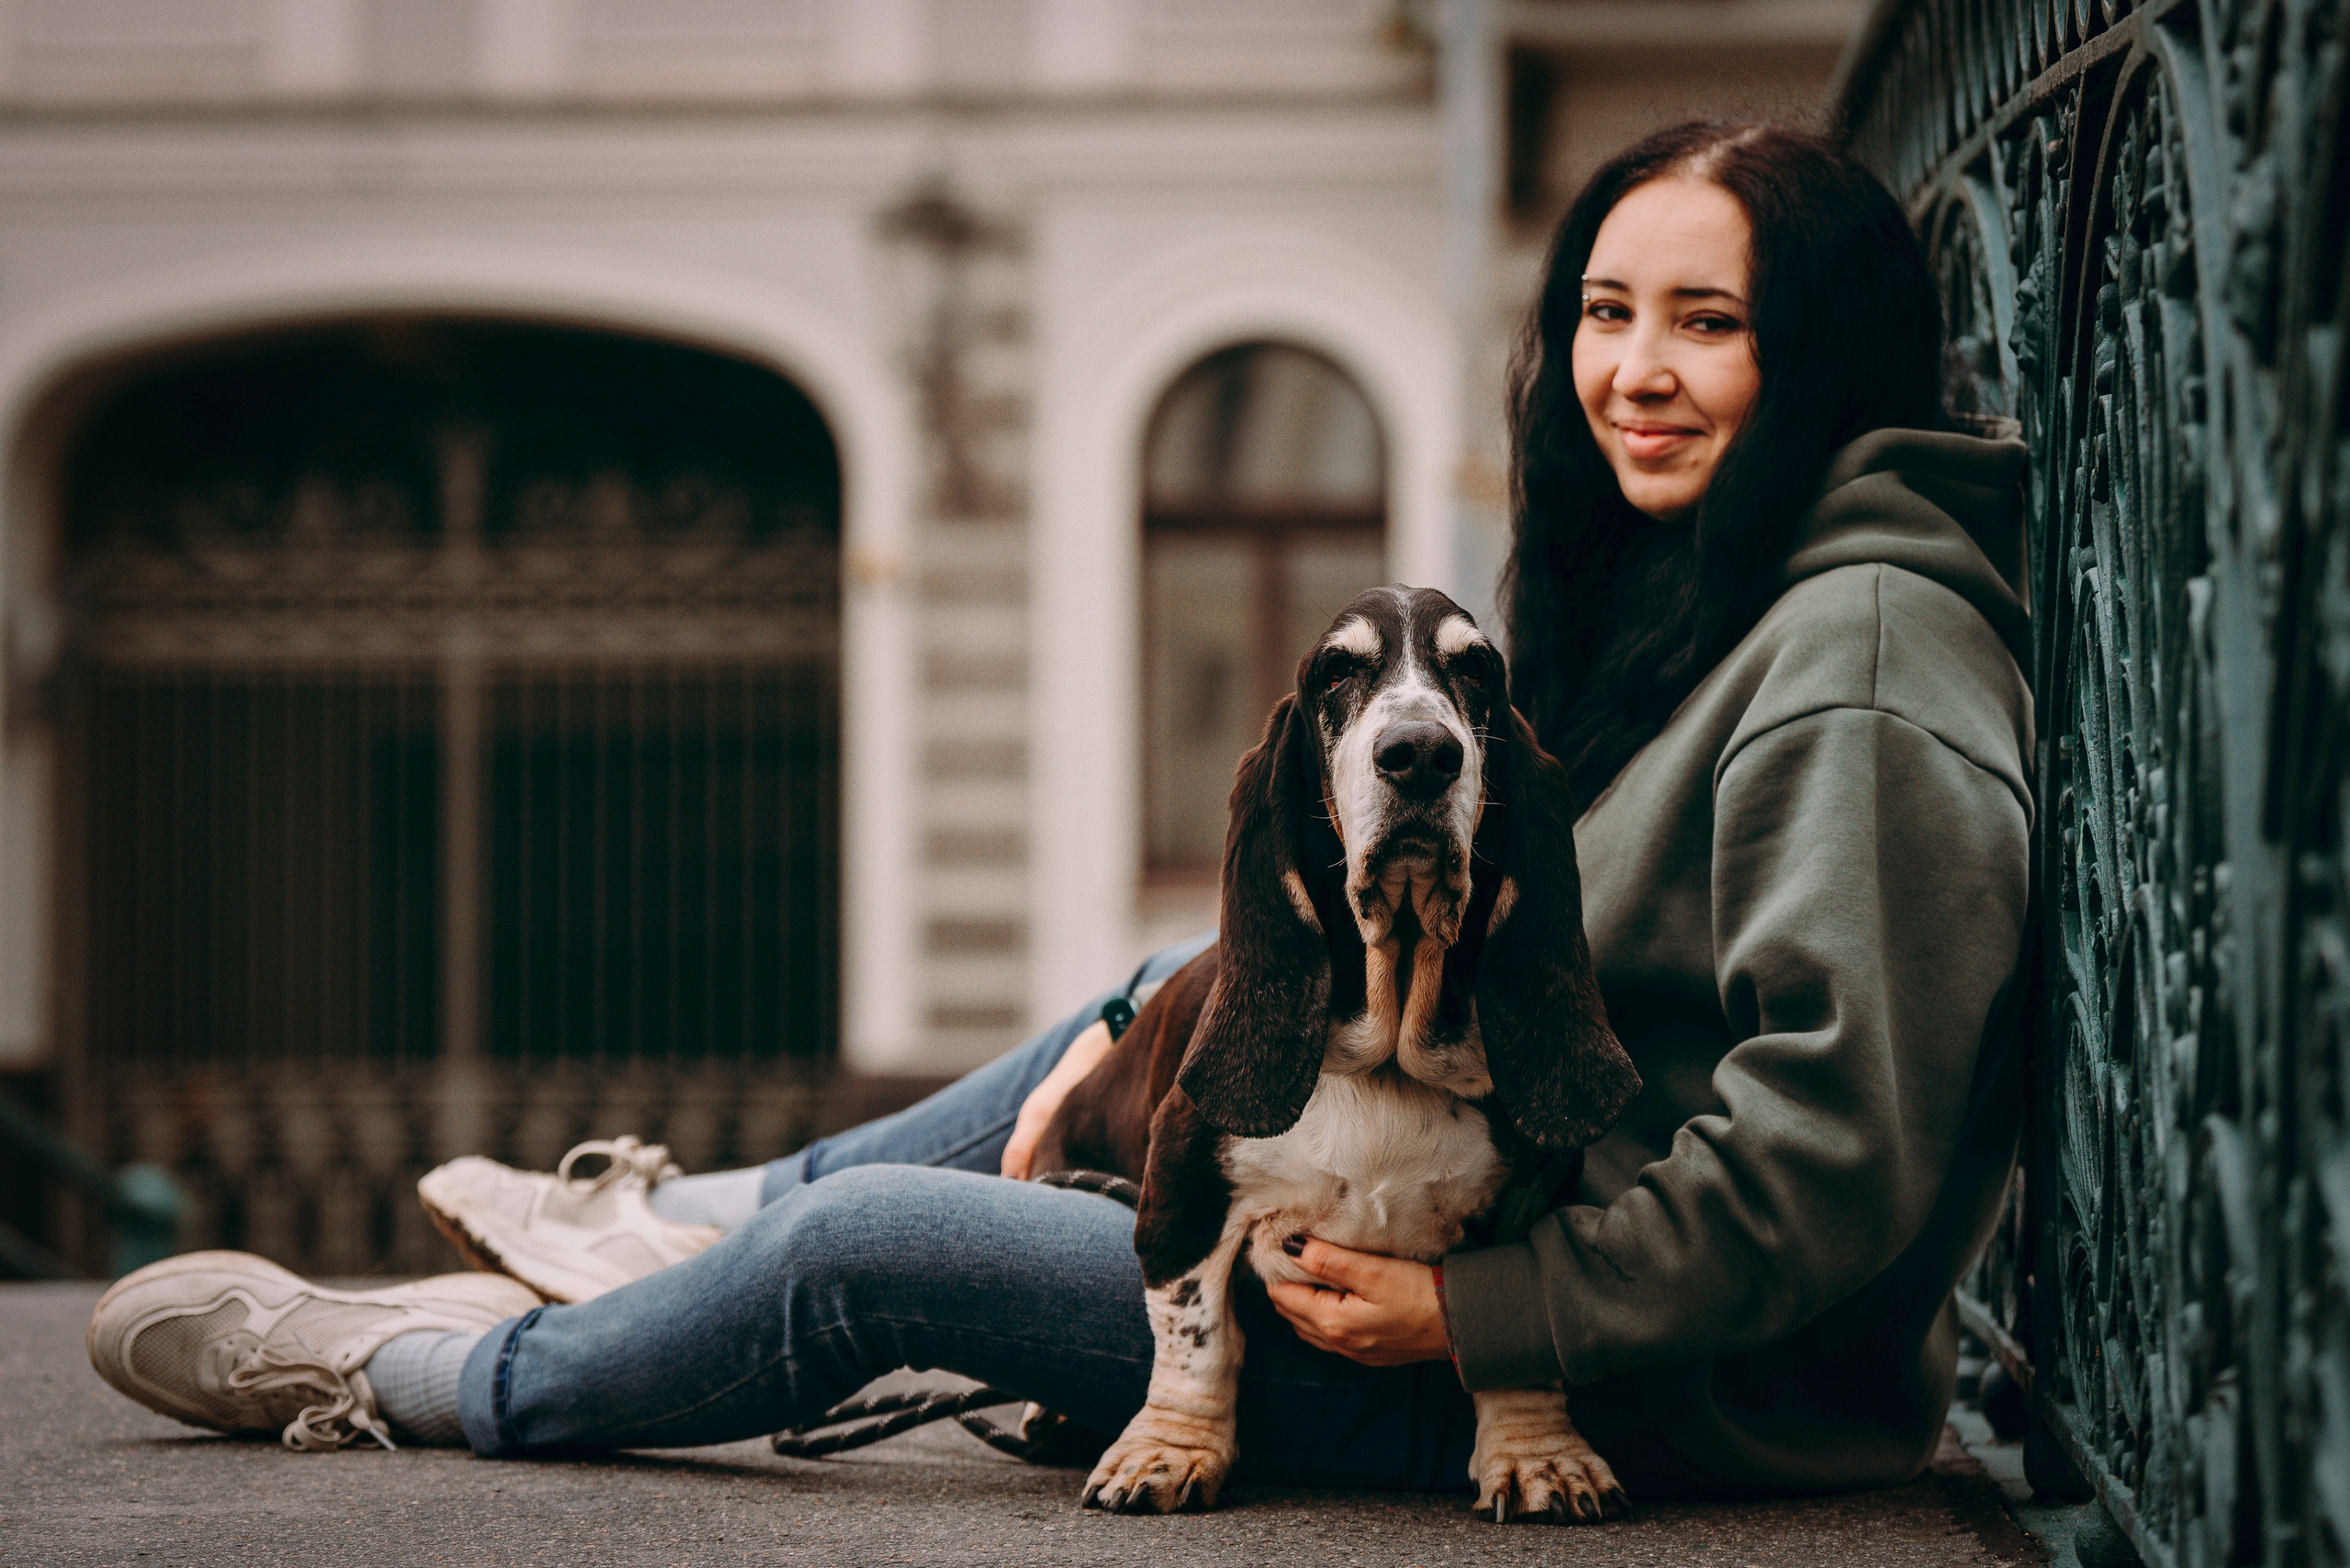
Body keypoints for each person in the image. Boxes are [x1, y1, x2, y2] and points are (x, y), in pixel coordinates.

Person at [86, 119, 2032, 1504]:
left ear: (1826, 351)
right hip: (1458, 1212)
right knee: (1147, 987)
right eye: (1607, 310)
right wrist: (1151, 1036)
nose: (1632, 372)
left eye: (1706, 321)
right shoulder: (1741, 597)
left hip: (1616, 1377)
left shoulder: (1856, 658)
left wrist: (1478, 1309)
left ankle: (415, 1373)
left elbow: (1834, 1159)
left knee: (870, 1253)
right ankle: (658, 1230)